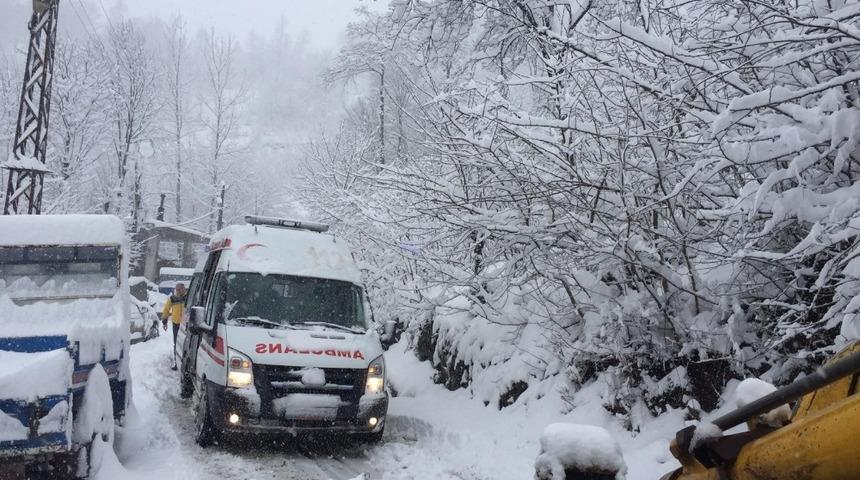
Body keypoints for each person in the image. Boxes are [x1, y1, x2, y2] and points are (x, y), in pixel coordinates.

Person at [162, 282, 187, 370]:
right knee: (176, 343)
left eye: (180, 289)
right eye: (177, 289)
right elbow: (166, 309)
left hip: (186, 325)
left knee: (186, 344)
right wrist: (164, 321)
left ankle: (185, 364)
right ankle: (177, 363)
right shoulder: (172, 298)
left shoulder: (188, 297)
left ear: (184, 289)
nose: (178, 291)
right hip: (176, 324)